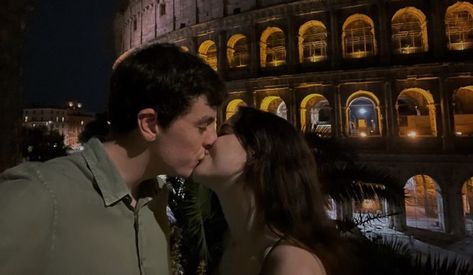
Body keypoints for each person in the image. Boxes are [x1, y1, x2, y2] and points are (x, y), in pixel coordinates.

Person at [0, 43, 227, 274]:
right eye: (203, 126)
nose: (213, 139)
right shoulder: (40, 195)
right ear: (149, 124)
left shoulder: (155, 202)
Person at [193, 106, 350, 275]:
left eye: (223, 132)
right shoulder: (236, 248)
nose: (209, 139)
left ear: (255, 151)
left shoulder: (292, 265)